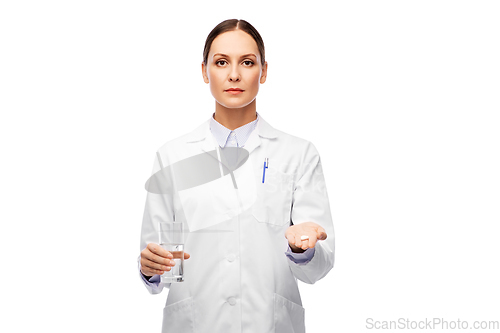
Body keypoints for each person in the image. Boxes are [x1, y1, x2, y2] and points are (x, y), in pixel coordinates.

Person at [138, 19, 335, 333]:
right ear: (204, 71)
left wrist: (303, 249)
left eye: (247, 62)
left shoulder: (299, 154)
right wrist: (152, 269)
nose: (234, 74)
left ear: (264, 71)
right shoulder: (172, 156)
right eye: (221, 62)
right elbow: (163, 262)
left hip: (270, 323)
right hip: (195, 323)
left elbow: (318, 269)